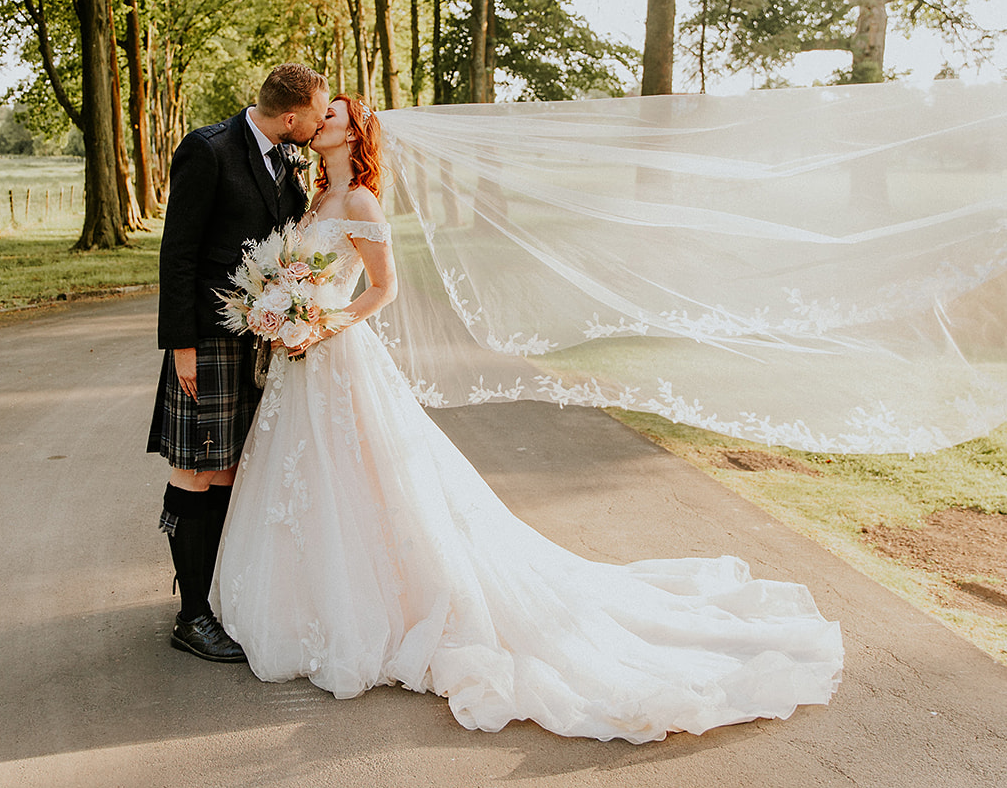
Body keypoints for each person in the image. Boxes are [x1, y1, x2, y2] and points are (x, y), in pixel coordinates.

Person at [210, 93, 845, 742]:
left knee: (368, 479)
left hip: (338, 356)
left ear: (354, 133)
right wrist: (283, 310)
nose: (322, 122)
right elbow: (296, 273)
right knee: (315, 481)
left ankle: (381, 607)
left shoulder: (362, 202)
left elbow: (383, 286)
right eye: (324, 114)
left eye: (335, 116)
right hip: (302, 365)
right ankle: (313, 598)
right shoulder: (315, 198)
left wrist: (323, 321)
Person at [148, 63, 328, 664]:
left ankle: (213, 596)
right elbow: (179, 253)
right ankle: (191, 615)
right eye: (318, 114)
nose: (320, 124)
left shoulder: (285, 156)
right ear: (292, 116)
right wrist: (181, 346)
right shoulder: (208, 150)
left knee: (230, 470)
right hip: (207, 339)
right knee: (195, 469)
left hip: (259, 339)